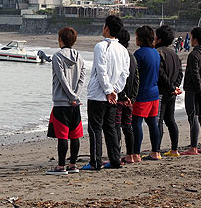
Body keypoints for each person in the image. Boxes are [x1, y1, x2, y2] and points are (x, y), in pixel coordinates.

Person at [82, 15, 130, 170]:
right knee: (110, 127)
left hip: (99, 94)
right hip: (113, 94)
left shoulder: (101, 46)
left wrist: (110, 90)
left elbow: (101, 71)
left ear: (107, 28)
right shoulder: (123, 50)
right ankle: (115, 160)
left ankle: (95, 161)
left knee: (95, 128)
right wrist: (116, 90)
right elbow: (124, 74)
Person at [46, 27, 87, 175]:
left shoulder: (57, 56)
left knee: (62, 136)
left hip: (61, 102)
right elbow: (82, 78)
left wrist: (70, 96)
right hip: (75, 103)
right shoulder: (80, 57)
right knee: (75, 134)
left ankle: (61, 166)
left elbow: (62, 78)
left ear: (60, 39)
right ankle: (73, 164)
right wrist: (76, 96)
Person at [181, 27, 201, 156]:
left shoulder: (194, 54)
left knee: (193, 116)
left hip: (193, 90)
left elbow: (194, 74)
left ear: (195, 39)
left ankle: (193, 147)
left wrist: (200, 90)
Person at [132, 26, 161, 160]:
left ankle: (136, 153)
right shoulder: (155, 52)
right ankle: (156, 151)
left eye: (137, 36)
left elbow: (134, 75)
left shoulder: (139, 54)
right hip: (154, 92)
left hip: (142, 93)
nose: (135, 39)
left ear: (141, 38)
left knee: (137, 123)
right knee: (152, 123)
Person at [155, 25, 183, 157]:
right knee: (170, 120)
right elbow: (180, 74)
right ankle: (174, 149)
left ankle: (157, 150)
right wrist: (175, 87)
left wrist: (171, 87)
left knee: (159, 120)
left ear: (159, 39)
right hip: (172, 92)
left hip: (162, 92)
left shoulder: (159, 53)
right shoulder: (174, 54)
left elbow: (161, 73)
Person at [115, 28, 139, 164]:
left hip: (119, 97)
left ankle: (117, 154)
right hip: (130, 99)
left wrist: (123, 96)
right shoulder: (132, 57)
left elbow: (118, 76)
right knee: (127, 127)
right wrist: (133, 98)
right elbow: (136, 79)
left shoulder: (119, 55)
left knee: (117, 126)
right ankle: (131, 154)